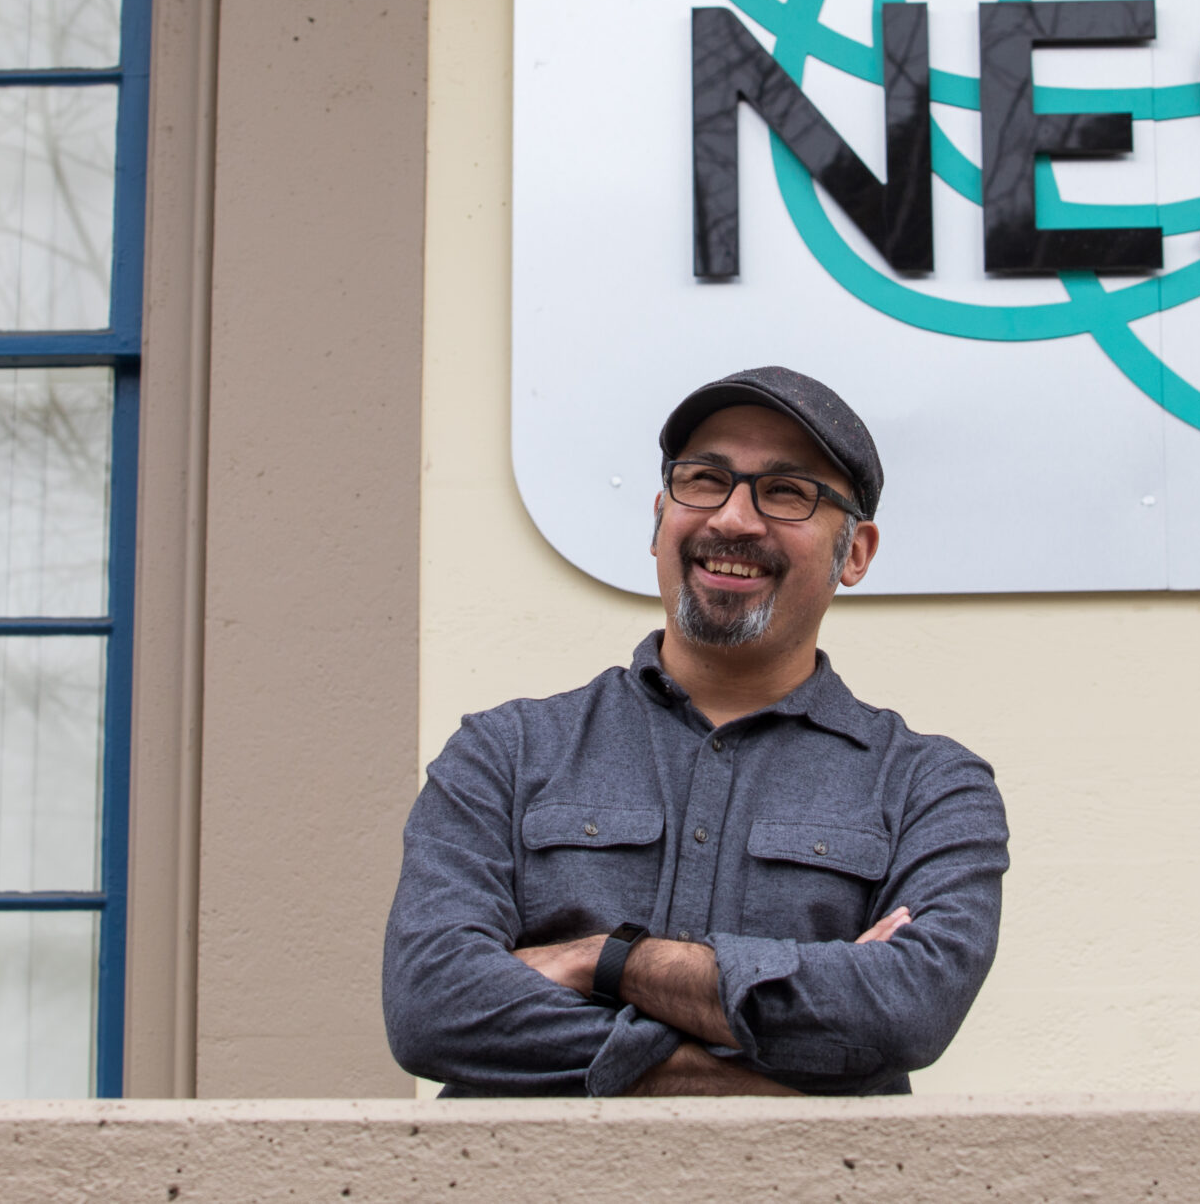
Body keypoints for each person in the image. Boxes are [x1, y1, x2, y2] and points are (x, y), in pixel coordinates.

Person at [382, 366, 1010, 1095]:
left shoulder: (929, 788)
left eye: (785, 491)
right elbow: (432, 1007)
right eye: (705, 479)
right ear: (658, 520)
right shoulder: (504, 753)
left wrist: (600, 961)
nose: (734, 519)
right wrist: (733, 1070)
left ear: (857, 552)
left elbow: (905, 1010)